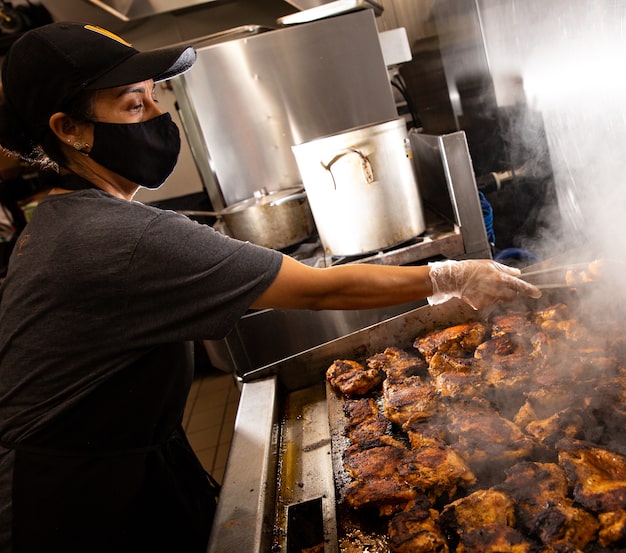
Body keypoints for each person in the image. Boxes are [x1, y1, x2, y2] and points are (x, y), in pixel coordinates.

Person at [0, 22, 540, 553]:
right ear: (69, 129)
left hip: (110, 461)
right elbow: (318, 291)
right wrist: (448, 274)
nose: (160, 118)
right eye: (133, 105)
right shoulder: (115, 236)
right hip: (64, 504)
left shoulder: (61, 220)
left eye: (155, 97)